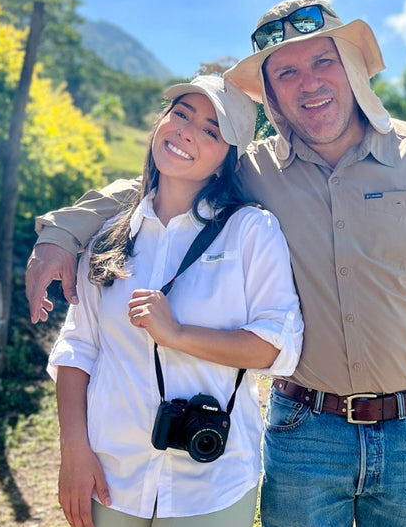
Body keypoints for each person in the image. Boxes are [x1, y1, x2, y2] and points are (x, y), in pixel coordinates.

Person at [29, 0, 406, 527]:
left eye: (322, 62)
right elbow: (158, 185)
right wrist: (62, 232)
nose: (308, 84)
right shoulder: (255, 171)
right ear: (271, 95)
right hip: (302, 432)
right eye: (286, 72)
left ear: (352, 67)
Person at [46, 75, 303, 527]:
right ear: (161, 122)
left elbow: (277, 346)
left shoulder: (250, 231)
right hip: (111, 472)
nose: (186, 131)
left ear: (228, 160)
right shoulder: (109, 237)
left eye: (211, 131)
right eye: (181, 114)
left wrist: (178, 335)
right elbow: (78, 349)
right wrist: (74, 451)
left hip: (211, 482)